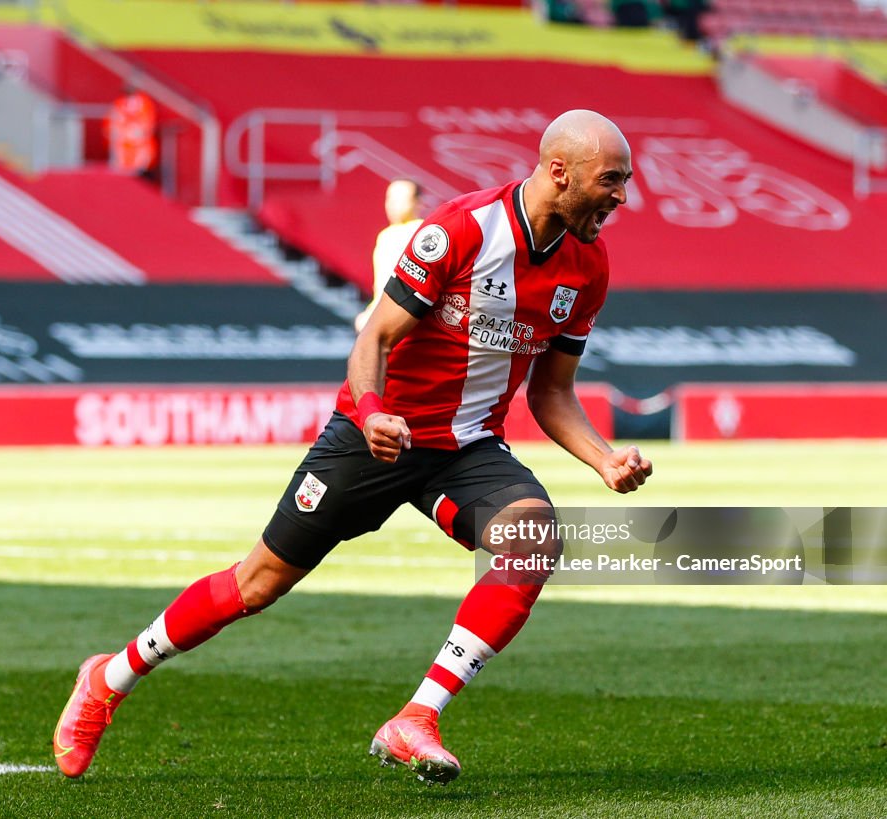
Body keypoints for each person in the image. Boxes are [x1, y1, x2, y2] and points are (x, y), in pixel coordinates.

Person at [53, 109, 653, 785]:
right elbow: (373, 338)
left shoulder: (589, 266)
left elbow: (552, 392)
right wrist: (371, 411)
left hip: (464, 450)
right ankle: (109, 675)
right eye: (611, 180)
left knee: (533, 536)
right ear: (558, 172)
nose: (621, 197)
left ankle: (417, 717)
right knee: (257, 584)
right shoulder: (460, 230)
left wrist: (603, 457)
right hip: (377, 437)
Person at [355, 178, 423, 333]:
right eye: (390, 199)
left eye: (401, 200)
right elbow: (380, 289)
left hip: (407, 318)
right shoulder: (385, 236)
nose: (393, 205)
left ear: (417, 203)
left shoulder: (421, 232)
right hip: (383, 316)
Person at [104, 86, 158, 180]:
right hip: (122, 147)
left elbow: (146, 125)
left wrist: (133, 131)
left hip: (139, 146)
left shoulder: (144, 104)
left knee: (139, 173)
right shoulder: (119, 104)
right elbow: (111, 124)